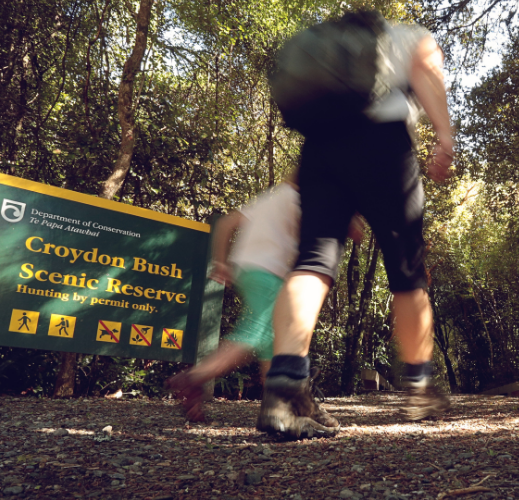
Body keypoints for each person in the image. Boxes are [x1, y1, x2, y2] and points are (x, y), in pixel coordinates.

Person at [257, 12, 456, 439]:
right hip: (384, 145)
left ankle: (285, 389)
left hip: (320, 150)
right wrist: (444, 134)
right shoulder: (410, 36)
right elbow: (425, 67)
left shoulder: (333, 59)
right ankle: (420, 386)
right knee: (407, 271)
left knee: (311, 261)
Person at [167, 176, 339, 430]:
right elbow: (313, 242)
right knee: (257, 330)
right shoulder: (300, 200)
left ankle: (280, 407)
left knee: (272, 339)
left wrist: (221, 261)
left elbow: (226, 223)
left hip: (246, 270)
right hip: (270, 273)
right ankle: (193, 377)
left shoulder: (269, 198)